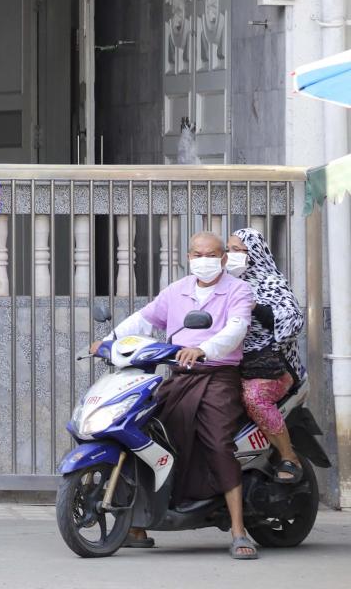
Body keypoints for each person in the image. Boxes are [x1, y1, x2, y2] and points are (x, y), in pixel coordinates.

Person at [90, 231, 257, 559]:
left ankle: (239, 530)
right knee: (147, 438)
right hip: (180, 377)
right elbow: (143, 318)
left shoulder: (239, 290)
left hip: (218, 377)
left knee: (218, 443)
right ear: (189, 257)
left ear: (224, 258)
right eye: (198, 254)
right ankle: (137, 525)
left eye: (212, 255)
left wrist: (203, 349)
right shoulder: (177, 290)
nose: (204, 260)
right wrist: (108, 340)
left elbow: (236, 329)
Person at [227, 228, 307, 485]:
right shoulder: (224, 283)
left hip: (273, 366)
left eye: (237, 250)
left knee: (254, 398)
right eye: (228, 250)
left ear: (254, 253)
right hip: (232, 362)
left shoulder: (271, 282)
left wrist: (255, 307)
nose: (230, 255)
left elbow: (293, 320)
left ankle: (288, 456)